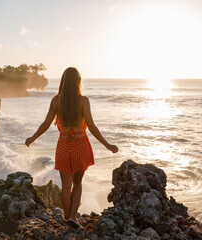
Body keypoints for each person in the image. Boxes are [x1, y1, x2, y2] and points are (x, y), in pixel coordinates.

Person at [25, 67, 118, 229]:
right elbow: (92, 127)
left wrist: (32, 138)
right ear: (78, 82)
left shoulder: (56, 101)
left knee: (66, 186)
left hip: (63, 146)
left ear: (63, 81)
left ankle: (68, 218)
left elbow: (46, 124)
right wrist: (108, 145)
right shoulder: (83, 101)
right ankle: (73, 217)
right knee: (78, 182)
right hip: (80, 145)